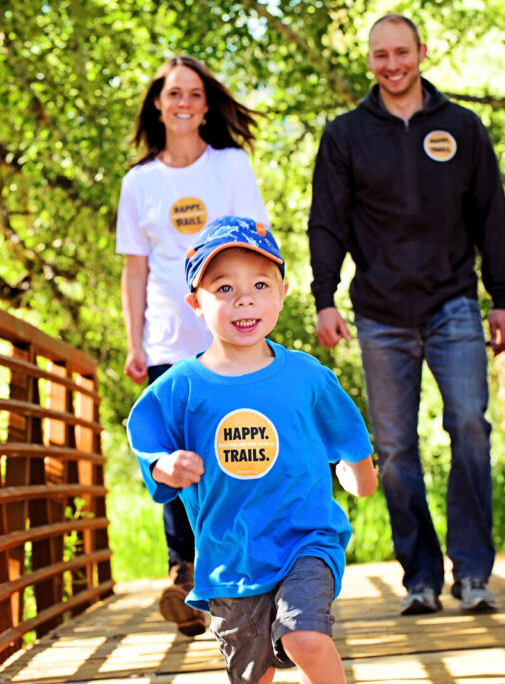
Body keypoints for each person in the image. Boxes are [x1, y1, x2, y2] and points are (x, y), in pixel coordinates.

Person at [307, 13, 505, 615]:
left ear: (422, 52)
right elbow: (328, 221)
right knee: (395, 449)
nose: (392, 64)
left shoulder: (462, 127)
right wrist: (325, 296)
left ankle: (473, 572)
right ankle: (420, 576)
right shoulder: (346, 135)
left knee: (471, 429)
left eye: (402, 52)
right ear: (368, 60)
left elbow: (491, 217)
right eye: (381, 55)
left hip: (454, 302)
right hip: (379, 312)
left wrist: (500, 297)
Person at [127, 216, 378, 684]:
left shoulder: (306, 376)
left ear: (281, 293)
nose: (244, 298)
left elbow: (347, 433)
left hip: (306, 539)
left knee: (304, 636)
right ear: (195, 304)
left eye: (260, 284)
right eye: (223, 288)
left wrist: (361, 476)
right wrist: (163, 465)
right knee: (253, 674)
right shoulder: (181, 387)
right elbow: (144, 432)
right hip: (230, 558)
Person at [116, 55, 270, 636]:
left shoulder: (230, 166)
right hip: (165, 342)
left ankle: (243, 572)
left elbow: (257, 244)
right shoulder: (140, 182)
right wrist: (134, 341)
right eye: (172, 93)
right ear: (158, 103)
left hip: (229, 338)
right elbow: (135, 269)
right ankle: (184, 574)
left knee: (236, 451)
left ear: (206, 105)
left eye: (193, 94)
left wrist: (257, 314)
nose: (183, 102)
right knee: (171, 458)